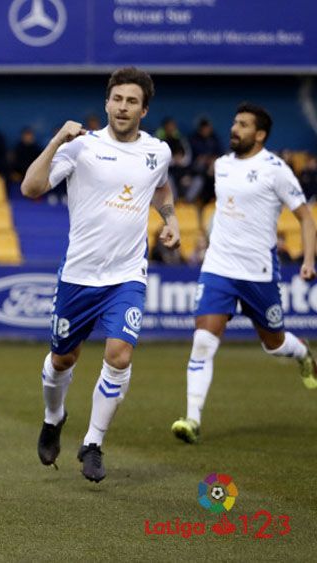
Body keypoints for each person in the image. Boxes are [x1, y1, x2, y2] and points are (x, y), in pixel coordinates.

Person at [21, 67, 179, 483]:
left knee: (119, 355)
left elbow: (161, 187)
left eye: (132, 102)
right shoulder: (81, 147)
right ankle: (54, 417)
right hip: (79, 275)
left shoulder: (157, 151)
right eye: (117, 99)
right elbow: (30, 189)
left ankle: (92, 442)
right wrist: (57, 140)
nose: (123, 107)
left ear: (144, 110)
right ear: (107, 102)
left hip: (127, 275)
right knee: (62, 359)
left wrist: (171, 219)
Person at [171, 103, 317, 445]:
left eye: (243, 125)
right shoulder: (221, 165)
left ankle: (303, 352)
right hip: (218, 268)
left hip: (258, 272)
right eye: (235, 123)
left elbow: (306, 217)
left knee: (274, 343)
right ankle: (191, 419)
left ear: (260, 134)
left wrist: (309, 259)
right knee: (203, 342)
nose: (234, 129)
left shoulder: (275, 170)